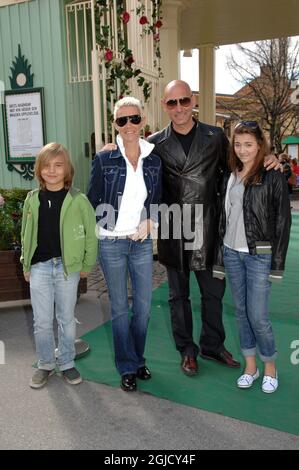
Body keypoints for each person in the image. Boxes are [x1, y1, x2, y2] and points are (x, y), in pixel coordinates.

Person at [101, 80, 279, 377]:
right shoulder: (154, 143)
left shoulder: (215, 136)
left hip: (209, 226)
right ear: (164, 106)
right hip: (173, 226)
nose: (179, 108)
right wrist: (111, 148)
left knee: (213, 293)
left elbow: (240, 166)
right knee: (178, 296)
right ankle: (187, 350)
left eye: (184, 101)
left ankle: (213, 344)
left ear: (193, 100)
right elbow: (129, 156)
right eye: (172, 103)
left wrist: (267, 158)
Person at [87, 97, 162, 392]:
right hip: (112, 243)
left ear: (142, 121)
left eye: (133, 119)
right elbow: (93, 199)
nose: (128, 125)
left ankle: (138, 357)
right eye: (122, 120)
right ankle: (128, 366)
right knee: (119, 308)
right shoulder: (104, 158)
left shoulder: (154, 158)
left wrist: (149, 221)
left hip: (141, 242)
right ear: (115, 125)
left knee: (142, 308)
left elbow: (157, 198)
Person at [213, 121, 291, 393]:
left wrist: (277, 264)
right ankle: (250, 367)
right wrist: (220, 258)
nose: (243, 150)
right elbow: (225, 219)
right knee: (242, 314)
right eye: (238, 144)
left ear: (260, 146)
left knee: (258, 315)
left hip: (259, 255)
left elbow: (282, 221)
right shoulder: (230, 174)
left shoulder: (273, 175)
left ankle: (270, 366)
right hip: (231, 253)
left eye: (249, 144)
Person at [21, 143, 97, 389]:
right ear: (39, 170)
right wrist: (26, 264)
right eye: (46, 166)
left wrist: (86, 263)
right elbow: (26, 234)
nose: (52, 171)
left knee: (66, 318)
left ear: (67, 170)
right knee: (42, 321)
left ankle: (66, 362)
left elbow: (90, 235)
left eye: (58, 165)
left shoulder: (79, 200)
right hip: (40, 267)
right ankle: (45, 363)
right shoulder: (32, 200)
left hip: (67, 268)